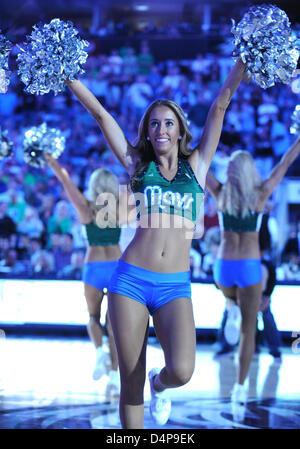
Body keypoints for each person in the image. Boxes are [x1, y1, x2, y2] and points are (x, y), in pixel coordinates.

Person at [65, 57, 247, 429]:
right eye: (154, 123)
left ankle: (159, 386)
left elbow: (221, 103)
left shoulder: (196, 166)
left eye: (168, 123)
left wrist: (246, 58)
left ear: (180, 130)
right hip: (129, 280)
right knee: (130, 384)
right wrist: (66, 75)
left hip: (174, 286)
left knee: (182, 370)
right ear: (146, 132)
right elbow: (101, 115)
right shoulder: (137, 166)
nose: (161, 128)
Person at [206, 134, 300, 410]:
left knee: (228, 294)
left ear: (231, 171)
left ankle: (229, 303)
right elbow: (284, 163)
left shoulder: (221, 193)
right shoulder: (260, 194)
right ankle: (239, 387)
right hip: (249, 267)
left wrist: (183, 140)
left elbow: (199, 163)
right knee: (249, 330)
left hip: (223, 267)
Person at [45, 154, 133, 394]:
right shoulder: (120, 208)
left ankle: (98, 354)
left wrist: (52, 162)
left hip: (93, 268)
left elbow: (66, 183)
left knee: (93, 318)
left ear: (94, 186)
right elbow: (139, 182)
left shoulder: (85, 208)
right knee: (114, 325)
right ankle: (115, 374)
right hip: (116, 267)